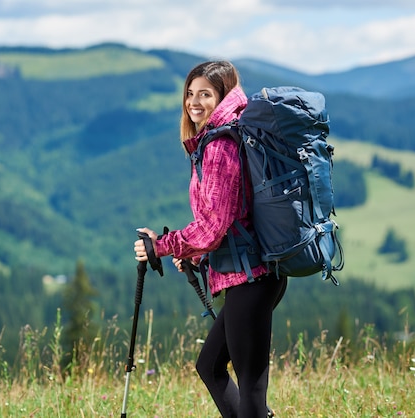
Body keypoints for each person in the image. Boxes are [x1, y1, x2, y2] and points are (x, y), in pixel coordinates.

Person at [134, 60, 287, 417]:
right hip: (251, 275)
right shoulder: (220, 139)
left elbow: (213, 226)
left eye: (205, 94)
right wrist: (198, 255)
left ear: (222, 97)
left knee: (250, 388)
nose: (194, 102)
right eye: (190, 93)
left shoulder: (220, 147)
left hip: (251, 279)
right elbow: (232, 219)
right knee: (210, 367)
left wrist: (163, 245)